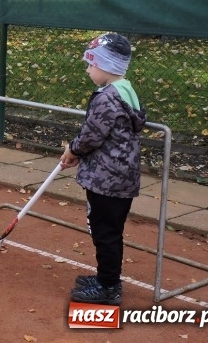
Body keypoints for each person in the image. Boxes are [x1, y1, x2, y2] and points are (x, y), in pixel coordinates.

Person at [60, 33, 146, 306]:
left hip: (108, 179)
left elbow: (91, 135)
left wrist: (72, 150)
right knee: (107, 229)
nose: (87, 70)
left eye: (91, 64)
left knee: (105, 232)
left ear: (107, 66)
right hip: (118, 177)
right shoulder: (125, 91)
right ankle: (105, 278)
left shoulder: (107, 98)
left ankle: (108, 286)